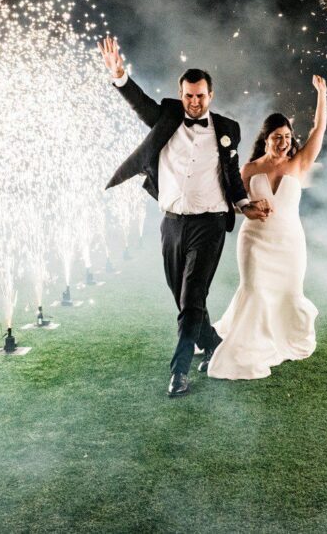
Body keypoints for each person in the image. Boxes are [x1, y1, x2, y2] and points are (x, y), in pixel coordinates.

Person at [98, 37, 271, 397]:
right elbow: (139, 102)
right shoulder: (166, 117)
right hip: (172, 224)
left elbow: (231, 171)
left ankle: (178, 372)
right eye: (189, 95)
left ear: (211, 95)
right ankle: (213, 343)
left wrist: (244, 205)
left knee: (192, 298)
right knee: (182, 299)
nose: (194, 102)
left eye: (201, 95)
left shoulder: (227, 129)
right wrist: (120, 77)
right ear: (181, 94)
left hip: (209, 224)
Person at [207, 74, 327, 380]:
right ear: (266, 138)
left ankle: (281, 337)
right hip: (255, 242)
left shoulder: (299, 163)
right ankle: (248, 346)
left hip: (289, 243)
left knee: (289, 292)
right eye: (277, 136)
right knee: (256, 291)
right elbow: (234, 201)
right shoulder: (249, 169)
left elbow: (318, 130)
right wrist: (249, 208)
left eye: (287, 136)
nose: (284, 142)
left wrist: (321, 95)